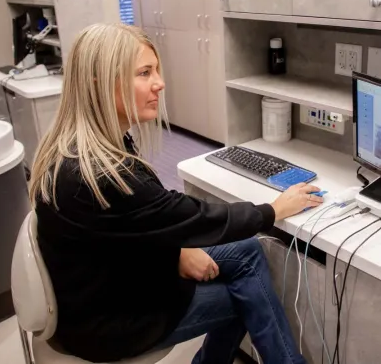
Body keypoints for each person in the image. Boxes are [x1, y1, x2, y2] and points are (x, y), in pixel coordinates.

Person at [30, 23, 323, 364]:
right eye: (144, 73)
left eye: (155, 70)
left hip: (105, 281)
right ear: (99, 83)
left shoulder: (77, 148)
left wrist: (177, 250)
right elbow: (192, 217)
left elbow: (131, 227)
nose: (160, 83)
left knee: (246, 253)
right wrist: (274, 209)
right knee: (244, 297)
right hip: (108, 321)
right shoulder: (97, 176)